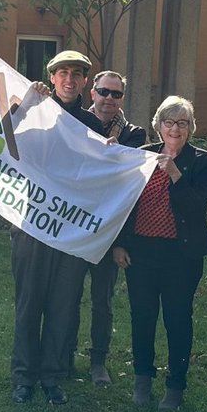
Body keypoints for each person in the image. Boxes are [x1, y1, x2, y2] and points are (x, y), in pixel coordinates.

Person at [112, 96, 207, 411]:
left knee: (177, 319)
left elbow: (196, 209)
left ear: (190, 128)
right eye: (169, 122)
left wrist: (175, 174)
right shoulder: (143, 156)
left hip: (181, 255)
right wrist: (119, 243)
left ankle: (175, 385)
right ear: (159, 126)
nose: (175, 129)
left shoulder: (201, 161)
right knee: (142, 317)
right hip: (141, 252)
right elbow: (125, 203)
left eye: (182, 123)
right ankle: (142, 379)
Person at [9, 50, 95, 406]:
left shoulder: (93, 125)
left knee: (64, 305)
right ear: (52, 78)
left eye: (76, 74)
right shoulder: (35, 115)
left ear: (85, 81)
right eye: (63, 73)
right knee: (29, 303)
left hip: (73, 230)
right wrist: (25, 105)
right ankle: (24, 377)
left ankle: (53, 377)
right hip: (34, 223)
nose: (69, 79)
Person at [79, 70, 146, 386]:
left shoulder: (134, 135)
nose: (109, 98)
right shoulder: (74, 124)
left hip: (109, 230)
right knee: (67, 296)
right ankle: (62, 355)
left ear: (122, 98)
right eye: (104, 92)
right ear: (92, 93)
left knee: (102, 300)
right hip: (74, 224)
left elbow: (129, 189)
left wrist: (122, 242)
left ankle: (98, 362)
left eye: (116, 94)